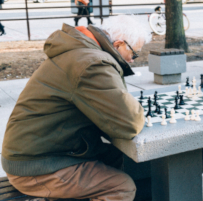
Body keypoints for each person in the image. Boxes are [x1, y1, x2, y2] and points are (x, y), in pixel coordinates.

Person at [2, 15, 152, 201]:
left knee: (121, 158)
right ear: (120, 44)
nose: (133, 60)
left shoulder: (80, 50)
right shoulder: (92, 63)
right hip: (35, 166)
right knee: (121, 187)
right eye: (134, 54)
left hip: (39, 153)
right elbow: (130, 123)